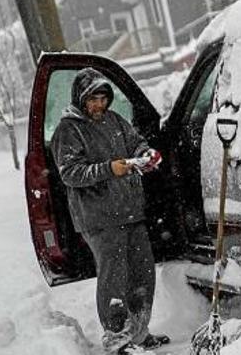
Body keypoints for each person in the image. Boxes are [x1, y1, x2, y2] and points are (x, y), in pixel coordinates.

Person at [51, 68, 169, 354]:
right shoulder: (69, 129)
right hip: (99, 219)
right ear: (81, 98)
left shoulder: (115, 120)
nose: (99, 105)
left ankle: (139, 334)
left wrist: (146, 154)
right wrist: (110, 169)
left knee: (142, 274)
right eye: (93, 99)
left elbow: (136, 142)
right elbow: (70, 173)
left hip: (130, 212)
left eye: (104, 98)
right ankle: (117, 339)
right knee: (114, 279)